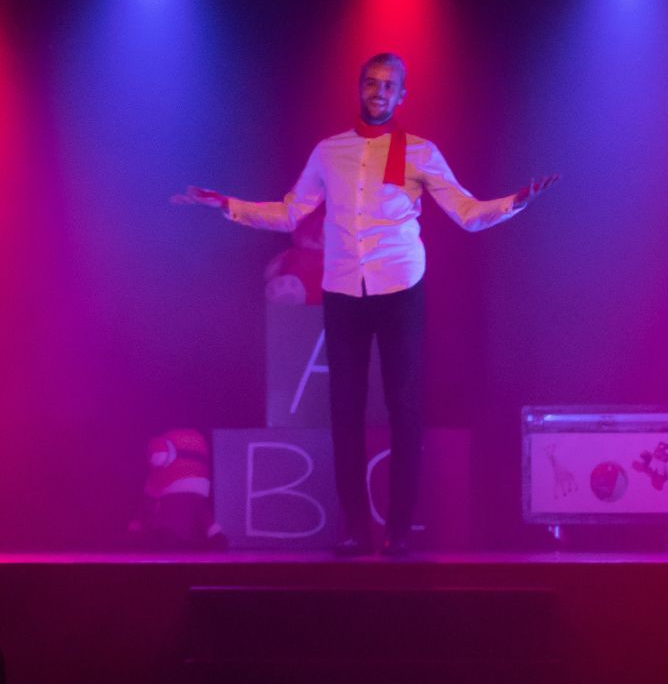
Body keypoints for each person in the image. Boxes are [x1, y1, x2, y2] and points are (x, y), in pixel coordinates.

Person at [175, 52, 556, 556]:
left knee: (405, 408)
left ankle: (398, 530)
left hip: (399, 285)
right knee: (345, 411)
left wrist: (514, 202)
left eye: (388, 84)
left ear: (402, 95)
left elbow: (466, 213)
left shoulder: (419, 151)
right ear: (360, 88)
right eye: (371, 82)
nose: (378, 91)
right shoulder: (330, 151)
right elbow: (292, 214)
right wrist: (229, 206)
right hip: (343, 289)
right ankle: (356, 528)